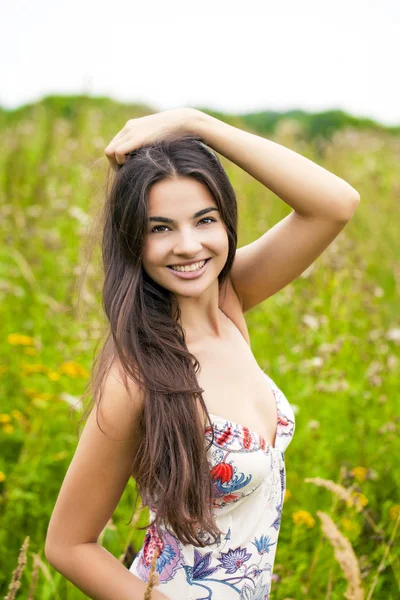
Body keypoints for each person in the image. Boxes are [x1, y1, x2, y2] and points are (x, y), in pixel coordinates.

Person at [44, 107, 360, 599]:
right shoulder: (136, 376)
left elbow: (335, 204)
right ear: (133, 240)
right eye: (160, 228)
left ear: (226, 224)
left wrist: (197, 123)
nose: (189, 246)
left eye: (204, 220)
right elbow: (68, 545)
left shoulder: (229, 302)